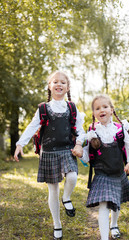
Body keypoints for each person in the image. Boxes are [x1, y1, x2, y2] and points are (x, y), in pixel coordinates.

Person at [14, 70, 86, 240]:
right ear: (49, 86)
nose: (59, 84)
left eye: (63, 82)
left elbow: (81, 131)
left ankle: (67, 198)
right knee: (53, 190)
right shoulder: (43, 109)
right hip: (48, 153)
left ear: (67, 87)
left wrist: (78, 143)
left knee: (73, 177)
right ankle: (57, 224)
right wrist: (19, 144)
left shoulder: (72, 108)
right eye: (55, 82)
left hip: (67, 150)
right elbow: (32, 127)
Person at [80, 94, 129, 240]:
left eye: (105, 106)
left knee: (116, 201)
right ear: (94, 113)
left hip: (118, 172)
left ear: (112, 110)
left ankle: (114, 224)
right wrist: (79, 153)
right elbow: (87, 156)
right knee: (103, 206)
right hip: (101, 174)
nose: (101, 110)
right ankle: (104, 238)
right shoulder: (92, 132)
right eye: (97, 108)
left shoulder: (120, 130)